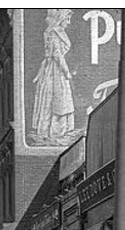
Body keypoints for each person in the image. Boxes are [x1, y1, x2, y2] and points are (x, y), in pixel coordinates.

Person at [31, 9, 75, 146]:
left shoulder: (51, 31)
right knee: (58, 100)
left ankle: (49, 132)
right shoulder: (55, 32)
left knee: (49, 100)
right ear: (61, 18)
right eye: (67, 19)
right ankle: (56, 132)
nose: (69, 22)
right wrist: (66, 71)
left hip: (50, 69)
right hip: (55, 71)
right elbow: (57, 55)